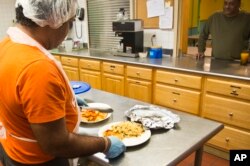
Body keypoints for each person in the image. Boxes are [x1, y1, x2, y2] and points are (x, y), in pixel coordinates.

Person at [0, 0, 125, 165]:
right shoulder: (38, 68)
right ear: (53, 20)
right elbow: (57, 144)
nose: (68, 31)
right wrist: (105, 144)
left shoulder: (8, 44)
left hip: (14, 149)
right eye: (70, 23)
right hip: (39, 160)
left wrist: (66, 101)